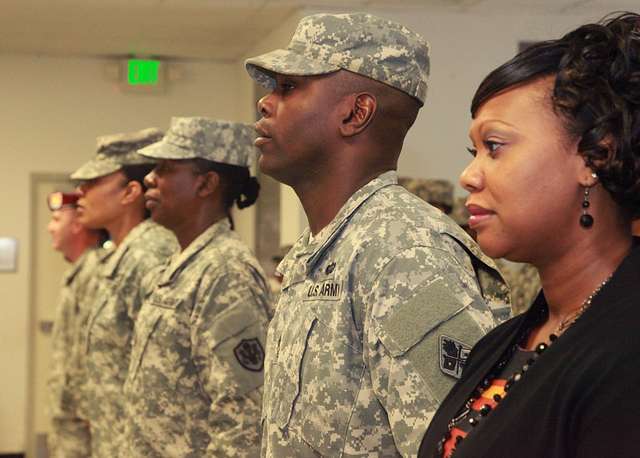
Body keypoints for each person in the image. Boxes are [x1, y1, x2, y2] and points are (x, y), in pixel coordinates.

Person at [245, 12, 510, 457]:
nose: (265, 102)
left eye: (288, 87)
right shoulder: (321, 252)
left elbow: (464, 446)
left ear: (355, 113)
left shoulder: (404, 253)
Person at [419, 12, 640, 458]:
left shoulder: (627, 347)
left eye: (495, 146)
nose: (468, 176)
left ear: (593, 157)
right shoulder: (507, 341)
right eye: (473, 151)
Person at [123, 117, 272, 456]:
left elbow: (243, 419)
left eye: (165, 169)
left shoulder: (225, 272)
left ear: (206, 184)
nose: (149, 178)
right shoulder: (183, 263)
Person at [70, 128, 178, 457]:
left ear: (131, 191)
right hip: (114, 438)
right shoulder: (122, 254)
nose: (80, 193)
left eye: (93, 183)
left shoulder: (150, 255)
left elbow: (165, 370)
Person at [46, 191, 104, 457]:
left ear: (78, 224)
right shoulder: (77, 270)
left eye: (57, 219)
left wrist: (89, 410)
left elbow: (96, 349)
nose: (50, 227)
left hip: (83, 420)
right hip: (68, 414)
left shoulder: (96, 272)